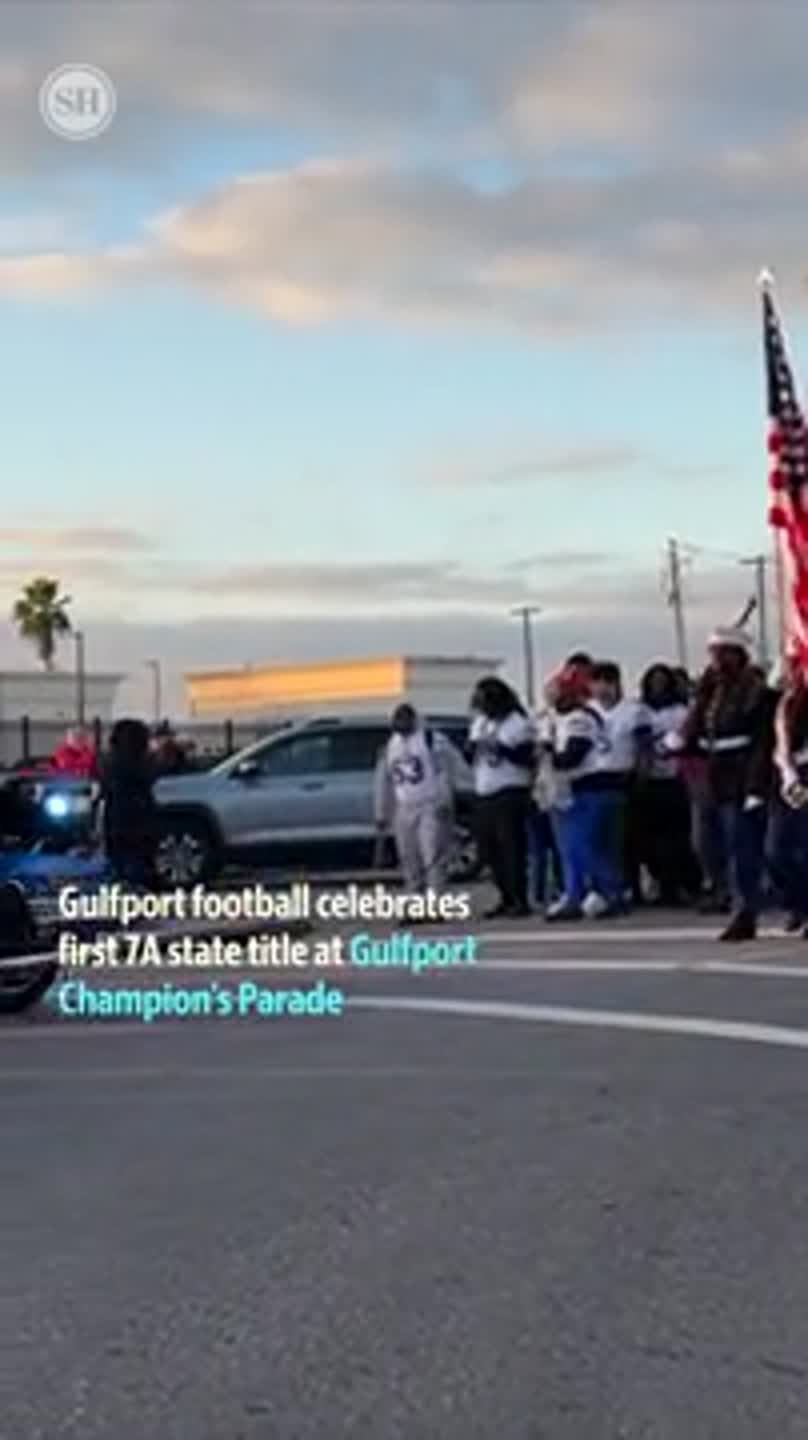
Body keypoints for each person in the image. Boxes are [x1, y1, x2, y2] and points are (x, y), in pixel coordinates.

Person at [678, 627, 774, 941]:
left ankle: (744, 911)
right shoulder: (710, 690)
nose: (717, 659)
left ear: (738, 655)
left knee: (741, 847)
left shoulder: (755, 691)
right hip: (711, 776)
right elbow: (697, 730)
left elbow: (762, 742)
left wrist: (756, 786)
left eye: (724, 652)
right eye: (714, 652)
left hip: (741, 774)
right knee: (705, 844)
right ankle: (724, 893)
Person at [544, 661, 624, 921]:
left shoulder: (580, 719)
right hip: (569, 789)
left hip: (589, 787)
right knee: (570, 849)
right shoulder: (560, 718)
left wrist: (547, 755)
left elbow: (572, 757)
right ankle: (574, 894)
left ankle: (611, 892)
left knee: (582, 847)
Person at [467, 677, 536, 919]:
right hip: (484, 789)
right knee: (489, 850)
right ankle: (504, 896)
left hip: (510, 790)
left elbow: (528, 758)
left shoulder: (518, 724)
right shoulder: (480, 723)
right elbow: (470, 754)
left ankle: (519, 899)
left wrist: (502, 750)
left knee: (512, 848)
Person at [636, 663, 701, 905]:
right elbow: (640, 741)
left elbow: (686, 740)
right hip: (649, 780)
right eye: (654, 682)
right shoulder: (641, 711)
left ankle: (679, 885)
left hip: (677, 779)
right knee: (650, 840)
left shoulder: (681, 712)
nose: (658, 686)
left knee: (677, 838)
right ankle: (661, 884)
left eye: (663, 682)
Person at [374, 704, 456, 894]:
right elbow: (384, 780)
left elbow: (444, 772)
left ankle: (436, 900)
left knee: (432, 855)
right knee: (408, 857)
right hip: (404, 807)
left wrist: (445, 800)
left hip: (430, 803)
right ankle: (415, 898)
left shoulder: (431, 740)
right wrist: (382, 811)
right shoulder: (391, 746)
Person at [589, 661, 650, 906]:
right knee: (598, 839)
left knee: (624, 839)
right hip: (594, 779)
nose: (603, 689)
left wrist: (641, 775)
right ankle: (603, 888)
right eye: (597, 683)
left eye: (608, 683)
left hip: (623, 778)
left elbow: (644, 747)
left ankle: (630, 887)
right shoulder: (587, 711)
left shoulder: (634, 711)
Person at [770, 658, 808, 935]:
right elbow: (780, 744)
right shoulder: (785, 705)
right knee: (777, 850)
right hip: (788, 777)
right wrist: (788, 773)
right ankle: (796, 904)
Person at [101, 718, 158, 887]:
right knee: (138, 862)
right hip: (138, 817)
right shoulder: (138, 763)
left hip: (117, 817)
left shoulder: (109, 761)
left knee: (121, 859)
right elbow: (150, 776)